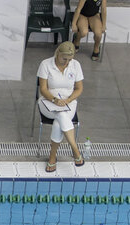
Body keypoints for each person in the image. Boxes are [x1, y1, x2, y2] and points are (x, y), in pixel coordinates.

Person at [37, 41, 85, 172]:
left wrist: (68, 99)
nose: (67, 62)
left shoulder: (76, 65)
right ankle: (75, 150)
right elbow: (43, 89)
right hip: (47, 102)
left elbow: (79, 88)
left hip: (69, 104)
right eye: (64, 59)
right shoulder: (45, 64)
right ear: (58, 53)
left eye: (70, 59)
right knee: (61, 116)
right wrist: (54, 99)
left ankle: (52, 157)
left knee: (60, 119)